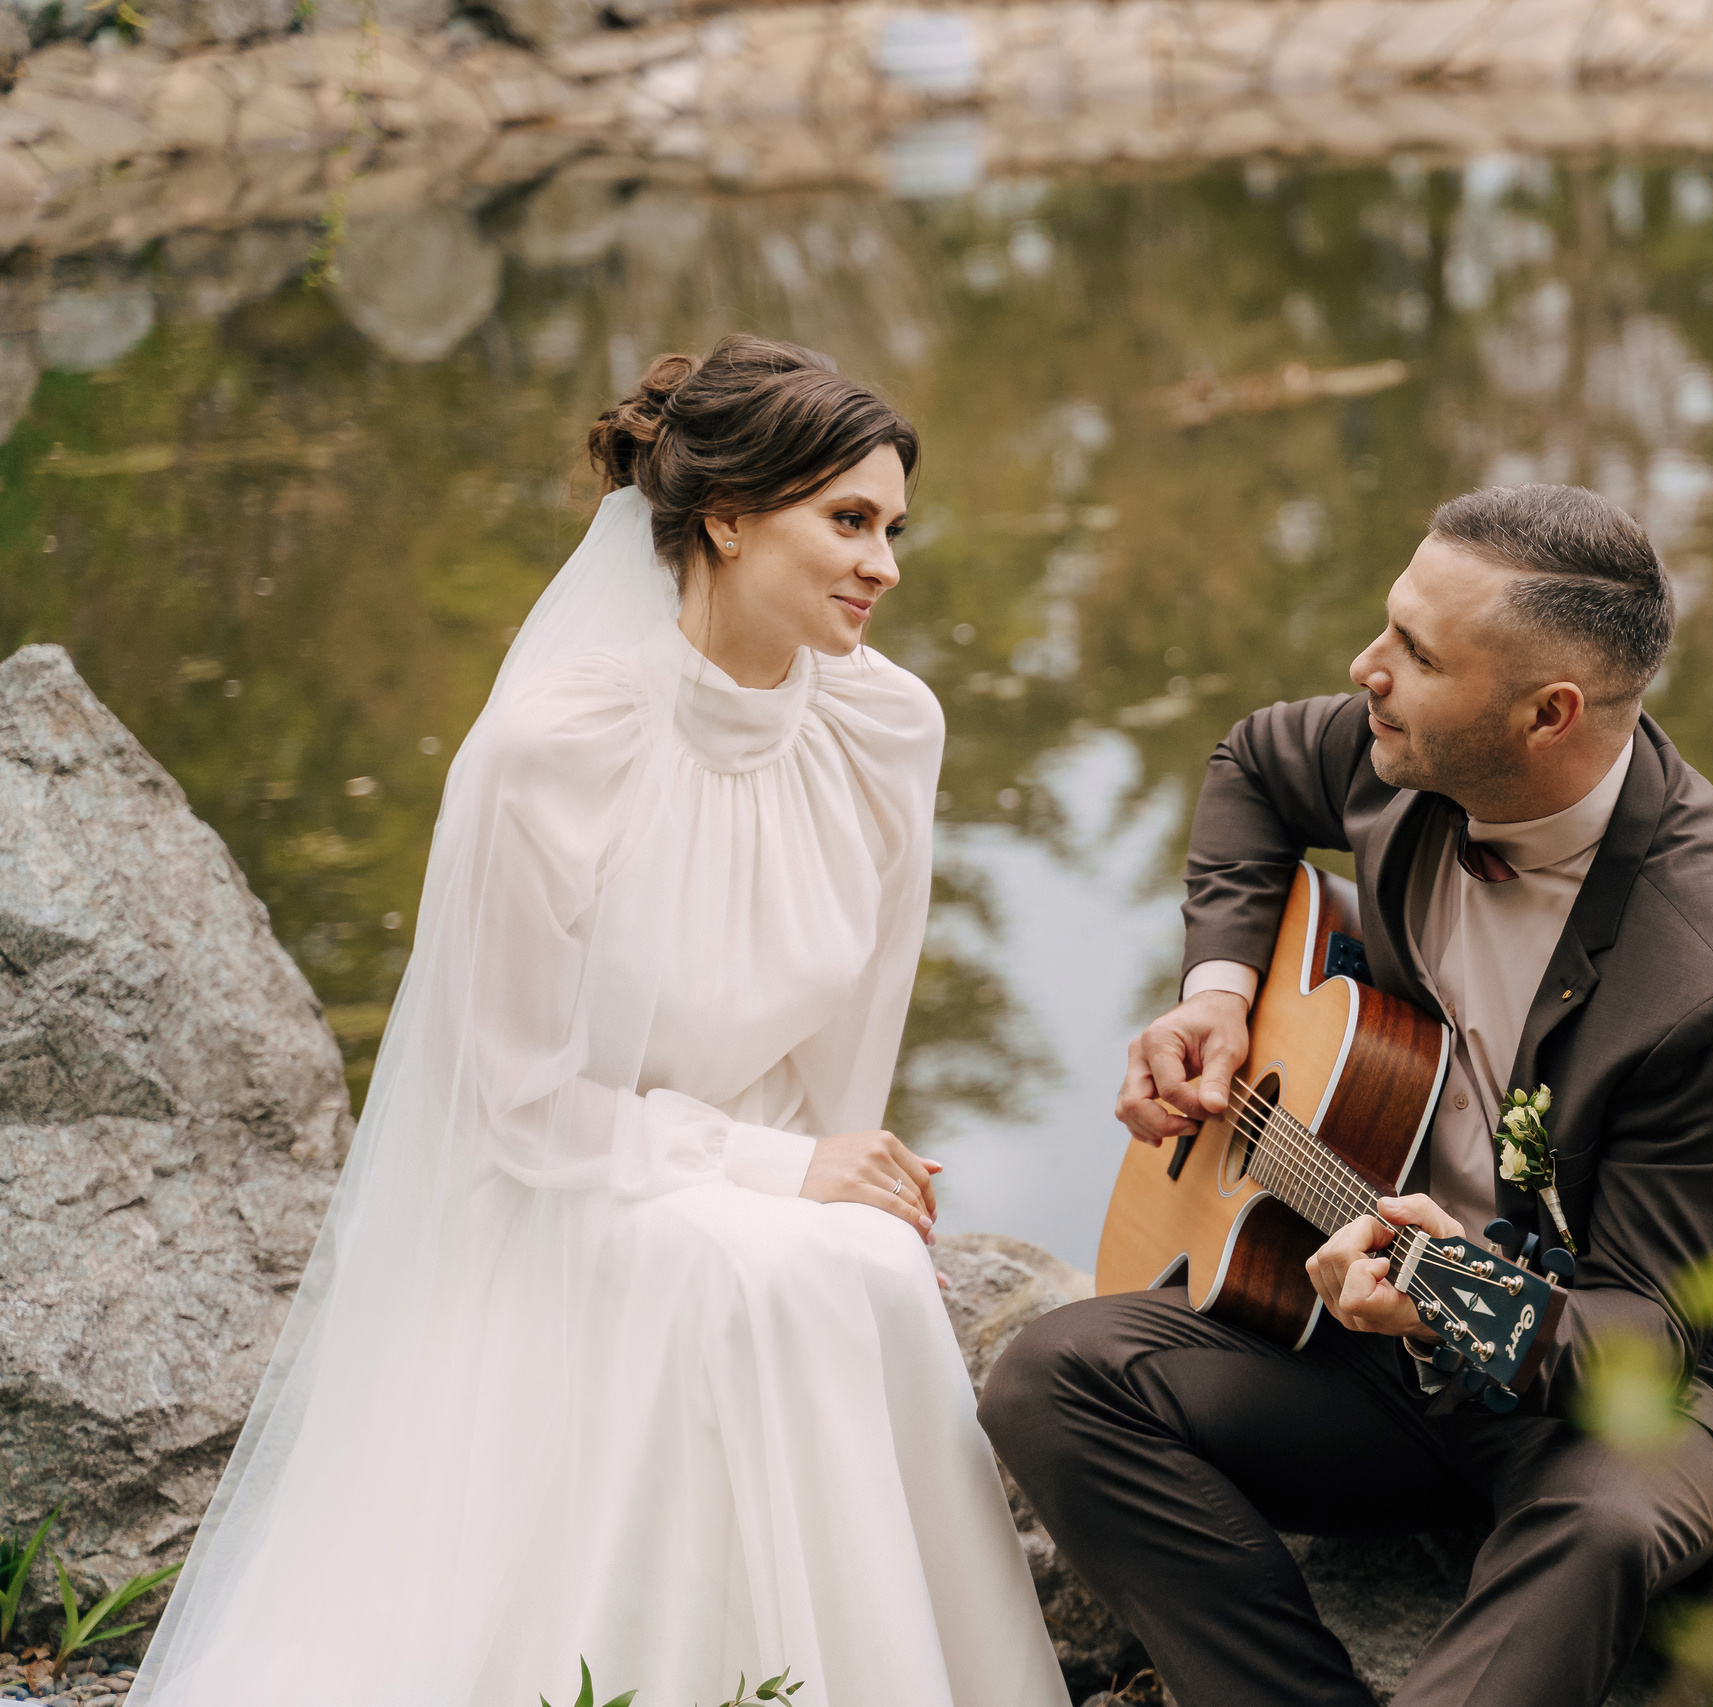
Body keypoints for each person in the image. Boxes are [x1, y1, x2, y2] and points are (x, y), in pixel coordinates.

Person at [135, 337, 1069, 1707]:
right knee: (776, 1274)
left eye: (894, 528)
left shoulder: (885, 728)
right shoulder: (556, 748)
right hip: (564, 1187)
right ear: (732, 516)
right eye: (849, 520)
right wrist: (773, 1175)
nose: (886, 564)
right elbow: (514, 1104)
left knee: (854, 1267)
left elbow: (850, 1047)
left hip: (756, 1172)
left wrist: (850, 1183)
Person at [981, 484, 1713, 1707]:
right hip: (1372, 1354)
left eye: (1412, 651)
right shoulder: (1399, 750)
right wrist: (1222, 991)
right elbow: (1251, 764)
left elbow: (1648, 1340)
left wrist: (1449, 1293)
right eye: (1385, 626)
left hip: (1618, 1403)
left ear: (1545, 715)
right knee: (1050, 1379)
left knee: (1604, 1527)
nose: (1365, 668)